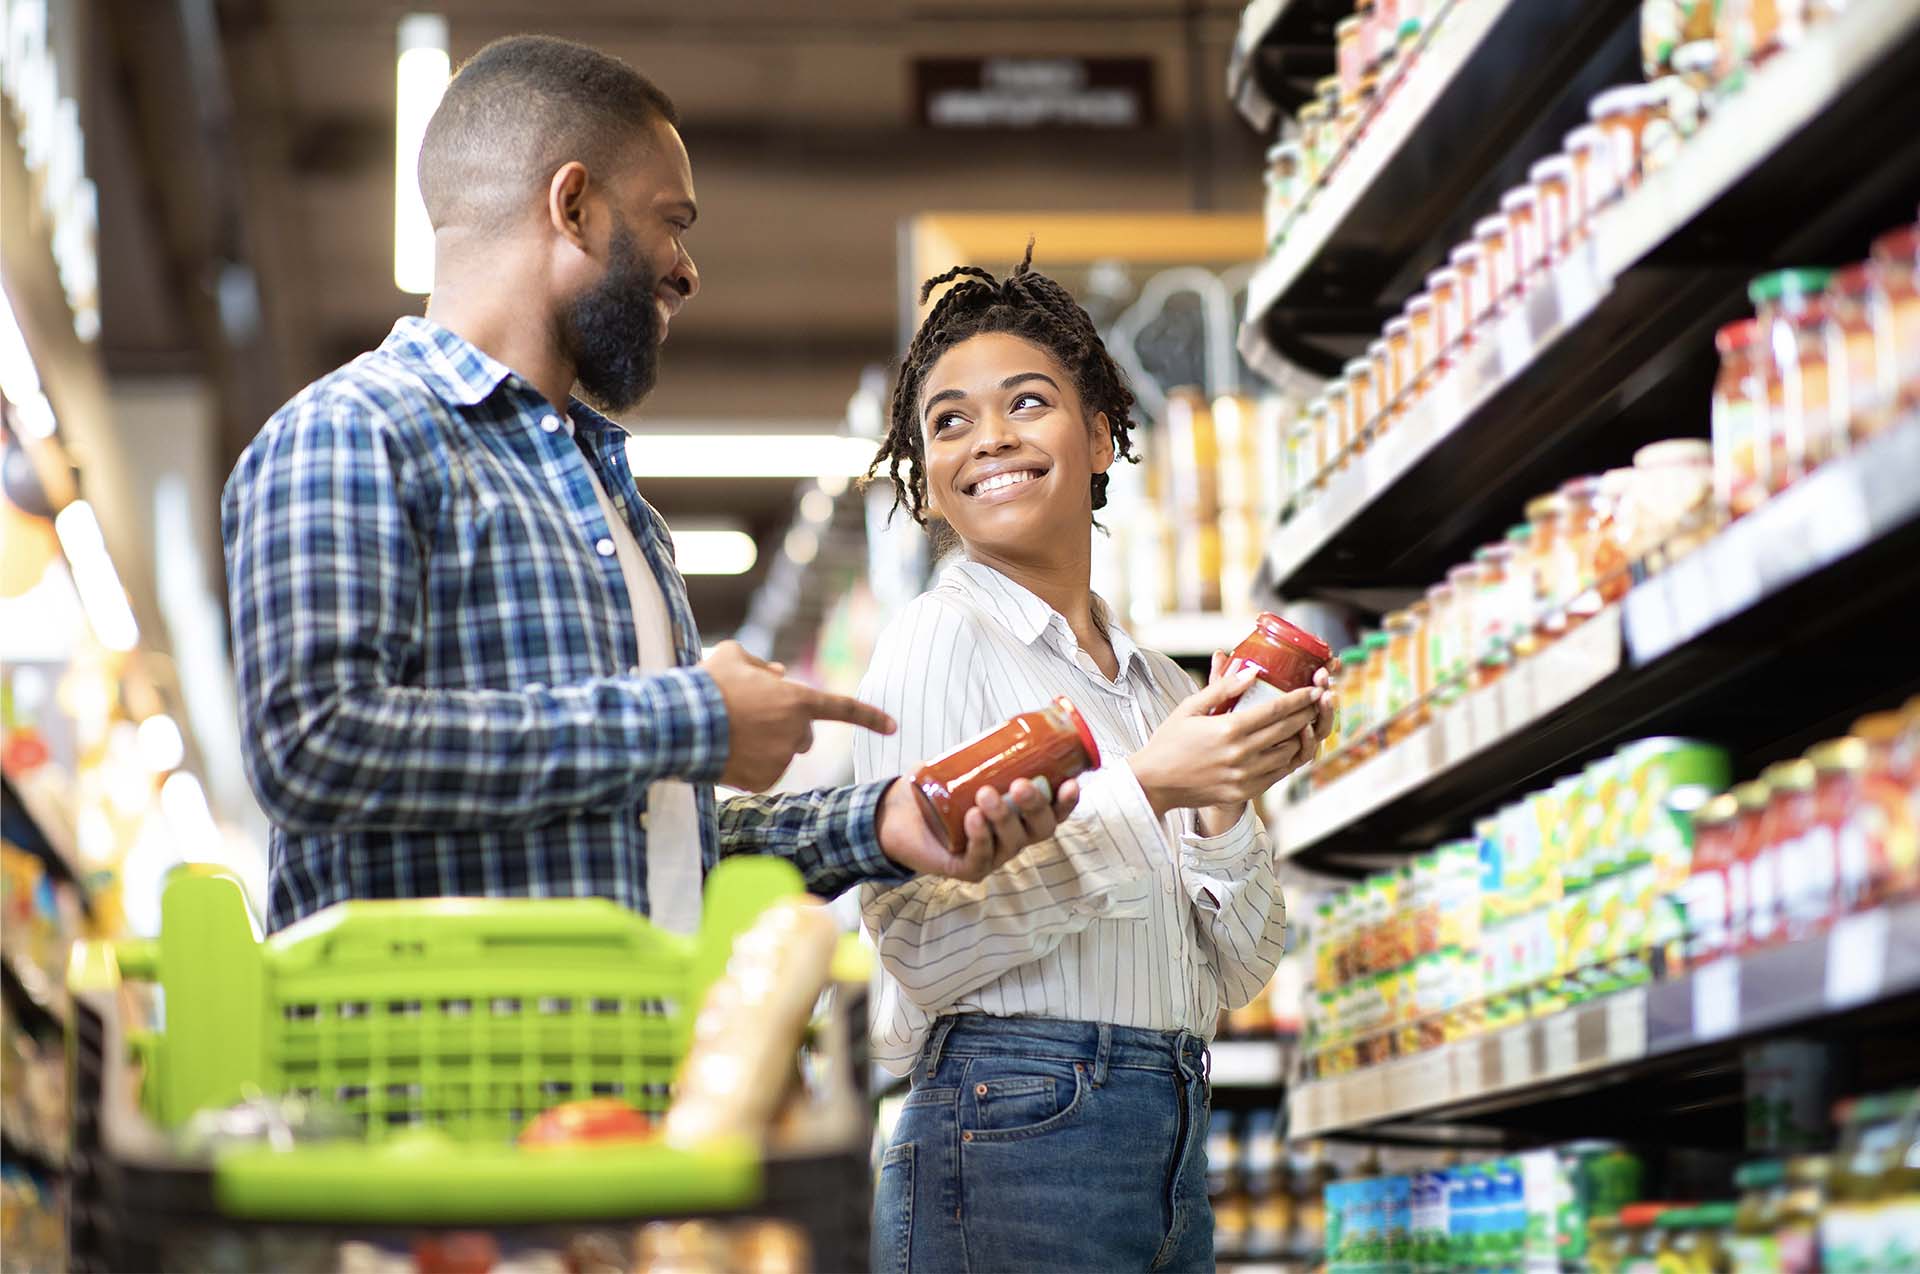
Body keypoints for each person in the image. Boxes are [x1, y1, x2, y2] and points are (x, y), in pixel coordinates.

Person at [220, 36, 1076, 934]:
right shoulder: (354, 432)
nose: (687, 268)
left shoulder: (615, 506)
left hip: (629, 1056)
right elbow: (311, 747)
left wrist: (881, 823)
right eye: (673, 221)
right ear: (576, 206)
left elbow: (664, 839)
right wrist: (691, 716)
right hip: (433, 1063)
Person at [856, 249, 1333, 1273]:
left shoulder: (1162, 685)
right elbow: (919, 945)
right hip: (1009, 1131)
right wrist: (1152, 786)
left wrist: (1224, 796)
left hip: (1168, 1130)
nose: (989, 438)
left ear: (1102, 435)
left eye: (1026, 402)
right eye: (948, 421)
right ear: (929, 482)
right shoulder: (938, 640)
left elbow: (1242, 970)